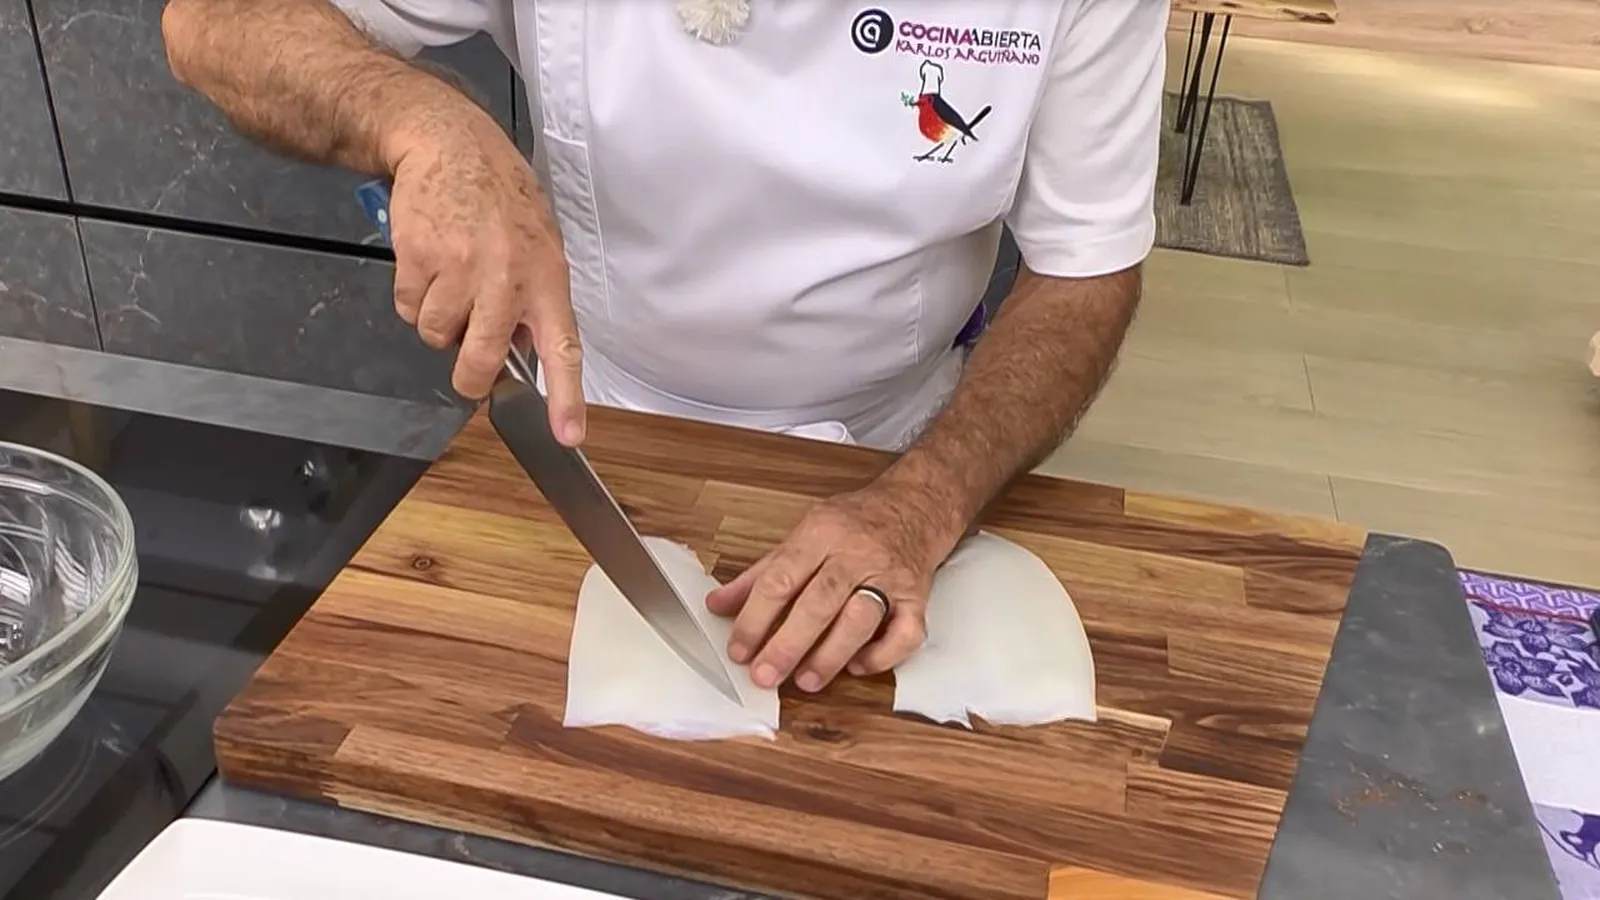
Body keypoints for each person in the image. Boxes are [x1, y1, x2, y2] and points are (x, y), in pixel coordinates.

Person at [161, 0, 1164, 694]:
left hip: (903, 445)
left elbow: (1085, 268)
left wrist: (926, 500)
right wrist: (421, 120)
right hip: (599, 436)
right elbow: (212, 22)